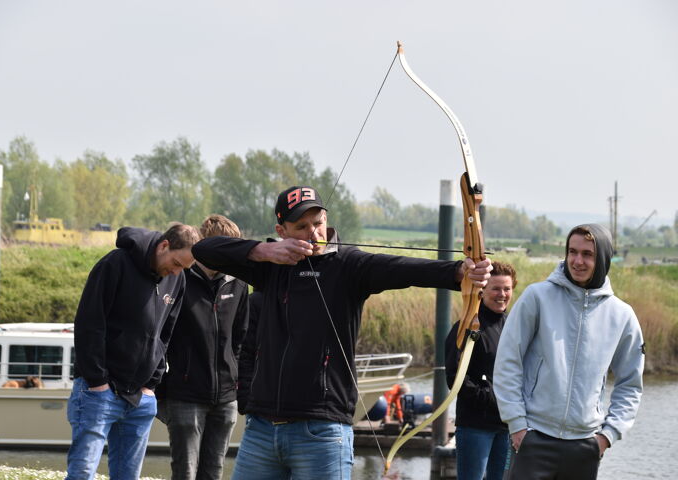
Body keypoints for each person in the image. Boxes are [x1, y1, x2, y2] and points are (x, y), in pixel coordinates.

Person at [191, 185, 493, 480]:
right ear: (281, 231)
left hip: (322, 431)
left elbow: (403, 268)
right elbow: (203, 250)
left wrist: (459, 273)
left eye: (318, 223)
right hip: (261, 429)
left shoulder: (349, 265)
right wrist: (264, 250)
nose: (313, 232)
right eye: (301, 226)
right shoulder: (270, 266)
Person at [493, 224, 644, 480]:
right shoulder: (536, 297)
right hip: (533, 438)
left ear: (603, 258)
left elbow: (630, 384)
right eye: (572, 252)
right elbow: (508, 361)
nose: (577, 261)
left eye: (588, 254)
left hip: (585, 445)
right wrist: (517, 424)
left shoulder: (622, 315)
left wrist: (607, 436)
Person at [66, 224, 199, 480]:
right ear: (164, 246)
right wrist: (98, 382)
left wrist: (152, 383)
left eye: (184, 267)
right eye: (176, 262)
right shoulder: (114, 264)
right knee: (82, 474)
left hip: (140, 397)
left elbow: (166, 333)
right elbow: (89, 324)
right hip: (98, 392)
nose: (177, 271)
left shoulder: (178, 279)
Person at [157, 215, 249, 480]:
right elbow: (160, 336)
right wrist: (164, 388)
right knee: (185, 472)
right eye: (224, 249)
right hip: (184, 395)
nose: (230, 256)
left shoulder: (239, 283)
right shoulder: (178, 279)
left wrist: (235, 382)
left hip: (226, 398)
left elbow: (241, 338)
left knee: (214, 472)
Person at [445, 261, 517, 480]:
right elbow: (454, 377)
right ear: (482, 289)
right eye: (495, 288)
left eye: (507, 289)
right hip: (476, 426)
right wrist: (489, 397)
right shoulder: (466, 327)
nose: (501, 294)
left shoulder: (515, 326)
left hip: (507, 427)